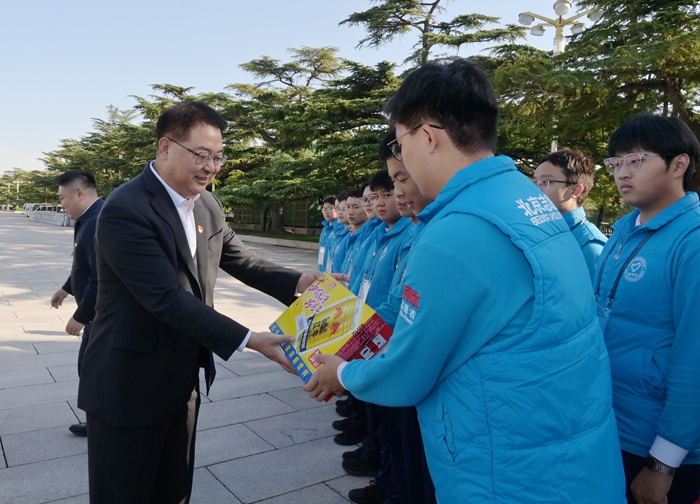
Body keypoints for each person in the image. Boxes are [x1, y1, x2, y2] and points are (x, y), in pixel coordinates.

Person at [304, 59, 625, 503]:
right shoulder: (525, 198)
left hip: (504, 471)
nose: (404, 163)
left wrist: (342, 371)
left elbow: (407, 374)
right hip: (571, 458)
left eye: (402, 142)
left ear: (429, 136)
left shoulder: (456, 231)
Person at [77, 101, 322, 503]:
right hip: (129, 383)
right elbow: (165, 298)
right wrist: (249, 339)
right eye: (201, 155)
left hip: (181, 377)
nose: (210, 167)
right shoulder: (127, 209)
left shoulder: (206, 203)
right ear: (165, 147)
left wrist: (299, 280)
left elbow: (240, 258)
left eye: (218, 157)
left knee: (173, 491)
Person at [595, 112, 700, 504]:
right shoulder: (623, 232)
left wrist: (662, 464)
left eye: (635, 160)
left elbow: (695, 360)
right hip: (609, 424)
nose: (622, 172)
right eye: (615, 163)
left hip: (657, 448)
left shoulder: (692, 241)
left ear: (679, 164)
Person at [50, 169, 104, 437]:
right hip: (95, 314)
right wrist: (66, 288)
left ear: (79, 193)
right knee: (91, 369)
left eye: (62, 198)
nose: (62, 204)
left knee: (93, 370)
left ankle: (101, 425)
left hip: (100, 315)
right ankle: (98, 422)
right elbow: (84, 265)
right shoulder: (89, 218)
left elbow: (101, 275)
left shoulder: (97, 222)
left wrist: (82, 315)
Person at [532, 149, 607, 278]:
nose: (536, 190)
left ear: (575, 190)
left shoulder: (590, 247)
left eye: (546, 182)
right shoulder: (538, 232)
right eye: (534, 182)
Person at [318, 196, 337, 272]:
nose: (326, 212)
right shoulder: (325, 228)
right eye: (324, 209)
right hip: (322, 267)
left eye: (330, 208)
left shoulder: (340, 228)